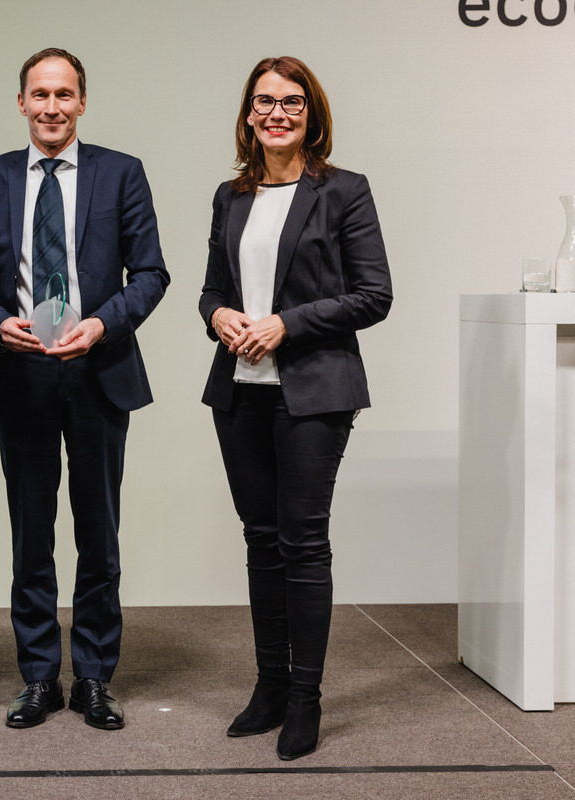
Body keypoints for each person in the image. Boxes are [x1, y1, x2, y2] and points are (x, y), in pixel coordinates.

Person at [198, 56, 392, 761]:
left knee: (302, 542)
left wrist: (287, 323)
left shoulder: (343, 190)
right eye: (264, 102)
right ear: (248, 115)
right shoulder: (231, 195)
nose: (276, 114)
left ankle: (306, 699)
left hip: (314, 391)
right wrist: (217, 314)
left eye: (291, 103)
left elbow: (374, 294)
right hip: (240, 390)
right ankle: (271, 688)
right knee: (260, 539)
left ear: (312, 114)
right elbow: (211, 288)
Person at [0, 48, 168, 731]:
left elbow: (151, 273)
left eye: (64, 94)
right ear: (21, 102)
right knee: (31, 537)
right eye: (40, 94)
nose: (52, 107)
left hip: (99, 373)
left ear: (82, 102)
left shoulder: (121, 172)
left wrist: (102, 324)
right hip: (23, 372)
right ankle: (37, 677)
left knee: (98, 536)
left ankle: (92, 677)